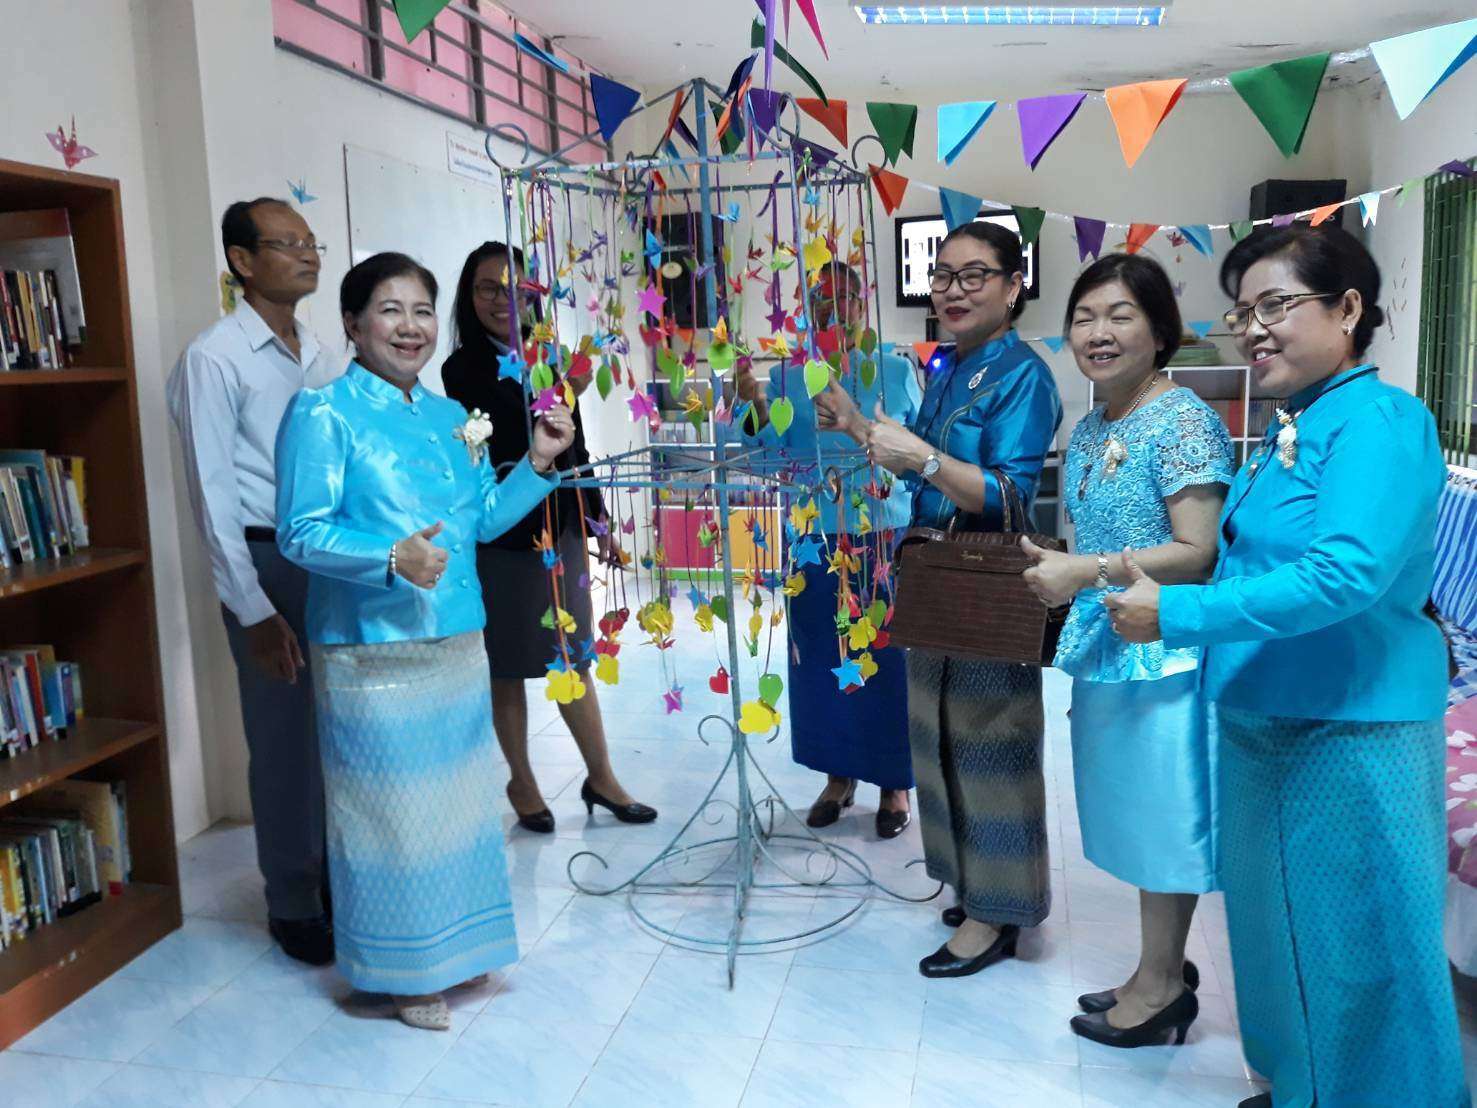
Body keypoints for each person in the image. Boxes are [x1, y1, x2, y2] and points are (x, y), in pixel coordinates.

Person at [1106, 224, 1470, 1106]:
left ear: (1347, 309)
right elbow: (1251, 558)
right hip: (1263, 716)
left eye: (1275, 305)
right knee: (1275, 934)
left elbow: (1344, 574)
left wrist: (1177, 613)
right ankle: (1304, 1084)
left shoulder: (1380, 422)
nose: (1253, 329)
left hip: (1351, 728)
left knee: (1361, 945)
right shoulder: (1289, 430)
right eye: (1242, 312)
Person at [274, 252, 575, 1031]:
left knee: (457, 809)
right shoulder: (322, 413)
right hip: (370, 648)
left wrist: (539, 462)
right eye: (389, 310)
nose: (409, 327)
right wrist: (387, 558)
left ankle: (458, 950)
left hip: (457, 640)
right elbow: (299, 531)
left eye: (420, 311)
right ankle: (402, 972)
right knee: (389, 818)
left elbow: (484, 519)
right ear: (352, 324)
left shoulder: (450, 419)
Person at [816, 221, 1062, 977]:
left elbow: (1011, 495)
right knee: (939, 741)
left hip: (988, 584)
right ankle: (972, 885)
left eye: (973, 275)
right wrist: (857, 427)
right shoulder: (950, 367)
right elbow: (917, 469)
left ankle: (998, 913)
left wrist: (920, 457)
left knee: (990, 743)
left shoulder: (1023, 375)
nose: (953, 290)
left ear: (1013, 286)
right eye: (943, 275)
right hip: (933, 574)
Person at [1021, 253, 1232, 1048]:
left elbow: (1198, 552)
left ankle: (1161, 985)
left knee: (1165, 818)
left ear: (1159, 331)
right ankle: (1157, 968)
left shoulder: (1181, 420)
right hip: (1109, 643)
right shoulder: (1091, 425)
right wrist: (1063, 573)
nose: (1097, 332)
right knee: (1137, 815)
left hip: (1164, 650)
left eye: (1119, 315)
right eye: (1083, 317)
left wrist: (1084, 571)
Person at [167, 197, 334, 966]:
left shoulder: (320, 352)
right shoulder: (215, 358)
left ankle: (335, 879)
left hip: (332, 559)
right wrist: (252, 608)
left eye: (310, 242)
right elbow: (211, 493)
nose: (307, 254)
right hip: (266, 562)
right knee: (283, 740)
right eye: (287, 243)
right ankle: (293, 901)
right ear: (242, 260)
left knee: (336, 734)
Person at [440, 241, 655, 833]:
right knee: (507, 666)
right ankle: (522, 781)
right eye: (487, 288)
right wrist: (559, 392)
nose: (502, 300)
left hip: (560, 531)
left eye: (516, 288)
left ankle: (601, 777)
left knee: (574, 657)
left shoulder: (550, 356)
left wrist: (598, 521)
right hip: (505, 537)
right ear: (469, 296)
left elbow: (574, 448)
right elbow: (508, 442)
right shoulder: (462, 370)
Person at [736, 261, 921, 838]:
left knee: (885, 664)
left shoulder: (895, 370)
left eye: (845, 299)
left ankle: (894, 784)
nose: (833, 310)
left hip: (881, 539)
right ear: (807, 309)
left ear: (863, 306)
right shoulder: (789, 380)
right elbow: (766, 458)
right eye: (821, 299)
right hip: (813, 541)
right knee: (820, 661)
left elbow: (920, 455)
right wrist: (752, 404)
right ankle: (838, 777)